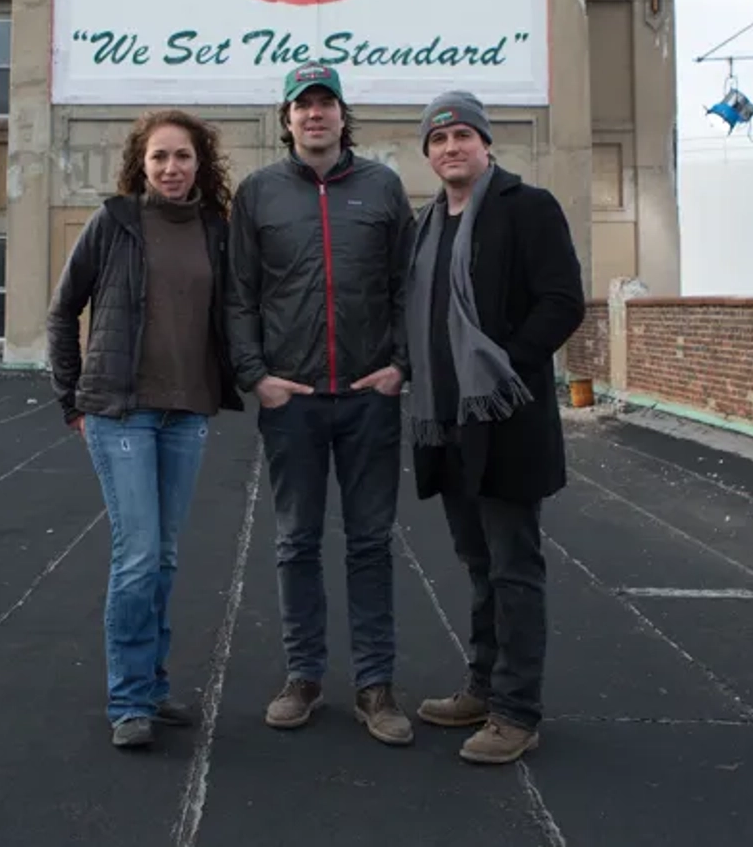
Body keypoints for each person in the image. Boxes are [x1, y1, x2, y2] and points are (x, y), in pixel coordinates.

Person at [226, 63, 417, 745]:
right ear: (286, 119)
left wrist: (402, 365)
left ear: (343, 115)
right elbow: (240, 294)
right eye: (302, 105)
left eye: (325, 103)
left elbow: (407, 288)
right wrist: (256, 375)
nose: (314, 115)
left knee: (370, 544)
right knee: (295, 542)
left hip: (369, 398)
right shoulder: (257, 194)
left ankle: (374, 685)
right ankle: (303, 676)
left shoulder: (383, 189)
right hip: (293, 400)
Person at [47, 108, 244, 750]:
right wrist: (72, 399)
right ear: (142, 163)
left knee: (162, 556)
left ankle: (152, 689)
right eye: (159, 157)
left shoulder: (216, 231)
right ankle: (128, 700)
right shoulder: (115, 223)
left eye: (182, 156)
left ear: (200, 163)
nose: (171, 168)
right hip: (120, 411)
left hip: (185, 412)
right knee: (136, 556)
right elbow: (62, 309)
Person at [403, 90, 585, 765]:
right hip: (447, 421)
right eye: (439, 138)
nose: (451, 147)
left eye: (462, 135)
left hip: (504, 418)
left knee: (514, 565)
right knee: (477, 561)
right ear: (427, 153)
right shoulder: (426, 226)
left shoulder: (526, 206)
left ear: (486, 143)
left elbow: (563, 300)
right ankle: (482, 684)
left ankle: (517, 709)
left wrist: (506, 364)